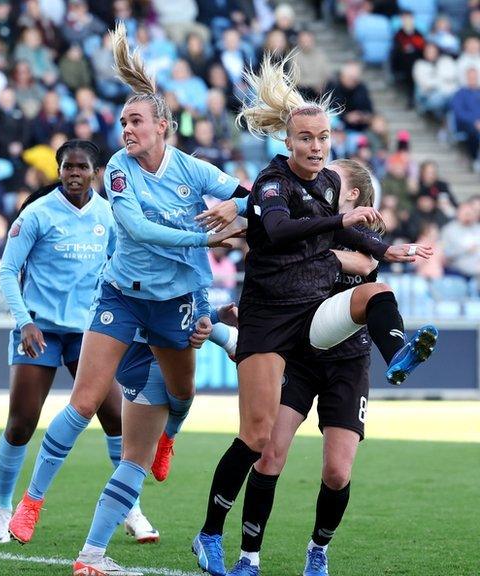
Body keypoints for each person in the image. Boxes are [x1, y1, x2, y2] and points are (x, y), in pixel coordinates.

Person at [4, 24, 244, 574]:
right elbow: (136, 230)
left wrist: (238, 211)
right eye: (123, 122)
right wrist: (208, 236)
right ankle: (31, 502)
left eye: (136, 121)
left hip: (178, 302)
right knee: (85, 400)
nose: (126, 129)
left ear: (164, 126)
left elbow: (250, 197)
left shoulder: (191, 169)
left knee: (182, 396)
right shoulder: (116, 169)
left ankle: (169, 438)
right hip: (123, 296)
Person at [193, 54, 437, 576]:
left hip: (315, 320)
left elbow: (341, 230)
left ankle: (399, 357)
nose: (316, 146)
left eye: (323, 138)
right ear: (288, 141)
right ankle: (212, 534)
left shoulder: (328, 183)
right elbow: (280, 232)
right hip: (269, 317)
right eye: (306, 138)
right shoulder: (271, 181)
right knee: (258, 439)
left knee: (334, 465)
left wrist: (384, 248)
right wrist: (335, 224)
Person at [230, 159, 386, 576]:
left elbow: (366, 266)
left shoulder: (362, 241)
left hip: (348, 363)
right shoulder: (308, 223)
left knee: (337, 472)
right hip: (299, 358)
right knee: (267, 454)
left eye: (330, 178)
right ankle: (249, 557)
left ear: (349, 196)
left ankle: (318, 548)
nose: (318, 181)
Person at [0, 140, 128, 544]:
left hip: (88, 332)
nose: (74, 174)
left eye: (82, 167)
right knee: (21, 424)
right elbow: (7, 271)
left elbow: (118, 267)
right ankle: (2, 505)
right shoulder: (37, 213)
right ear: (59, 169)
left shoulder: (108, 216)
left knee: (116, 418)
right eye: (67, 167)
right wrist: (24, 321)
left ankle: (130, 507)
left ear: (95, 172)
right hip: (40, 331)